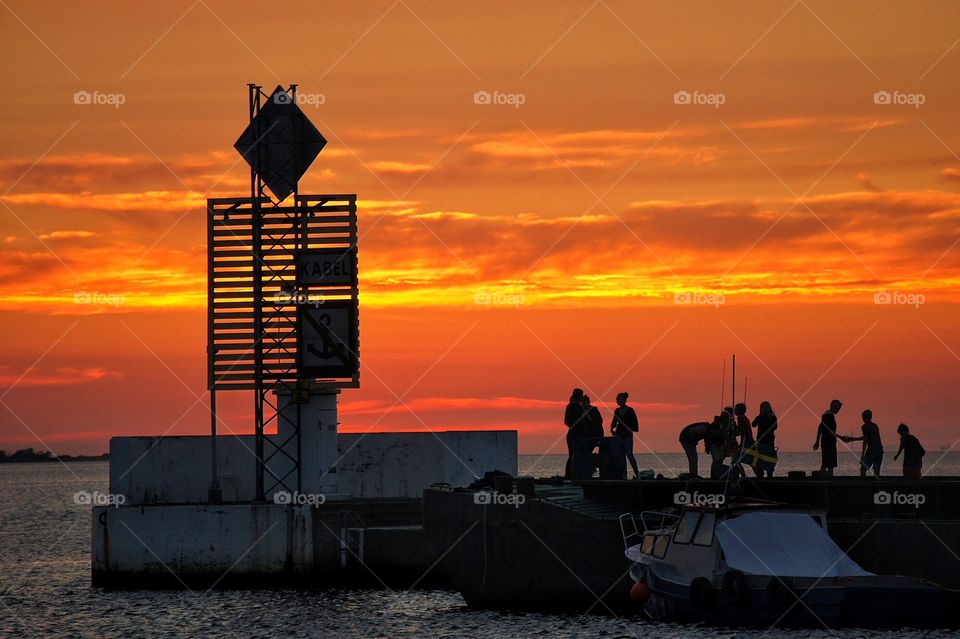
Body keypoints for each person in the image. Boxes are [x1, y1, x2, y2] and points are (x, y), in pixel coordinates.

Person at [611, 392, 640, 479]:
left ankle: (637, 474)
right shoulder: (616, 410)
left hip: (627, 436)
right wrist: (612, 429)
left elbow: (635, 424)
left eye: (619, 399)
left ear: (624, 400)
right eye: (617, 399)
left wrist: (629, 430)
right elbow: (614, 422)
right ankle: (624, 475)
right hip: (619, 435)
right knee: (621, 456)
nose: (618, 401)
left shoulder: (630, 410)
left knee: (629, 454)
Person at [848, 409, 883, 477]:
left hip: (871, 451)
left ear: (863, 418)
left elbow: (865, 440)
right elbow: (868, 437)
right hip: (879, 451)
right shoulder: (875, 426)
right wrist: (854, 439)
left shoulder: (865, 426)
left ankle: (863, 484)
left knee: (863, 469)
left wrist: (862, 455)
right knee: (876, 471)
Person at [750, 401, 778, 477]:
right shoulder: (759, 417)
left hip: (769, 441)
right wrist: (760, 418)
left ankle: (770, 475)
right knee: (760, 459)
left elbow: (775, 427)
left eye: (766, 407)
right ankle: (760, 475)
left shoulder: (772, 417)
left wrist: (769, 419)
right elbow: (753, 424)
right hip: (761, 441)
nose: (765, 409)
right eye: (763, 407)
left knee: (769, 458)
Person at [814, 399, 842, 476]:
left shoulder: (825, 415)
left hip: (825, 442)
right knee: (829, 464)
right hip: (829, 442)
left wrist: (817, 441)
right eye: (838, 408)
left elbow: (820, 428)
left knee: (826, 463)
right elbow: (829, 431)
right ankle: (829, 480)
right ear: (834, 407)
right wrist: (840, 437)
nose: (838, 411)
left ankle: (824, 479)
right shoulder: (829, 416)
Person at [563, 388, 585, 479]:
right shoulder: (576, 407)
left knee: (572, 455)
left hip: (573, 434)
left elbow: (567, 421)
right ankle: (572, 475)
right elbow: (568, 421)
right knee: (574, 455)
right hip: (575, 435)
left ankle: (570, 475)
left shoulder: (571, 407)